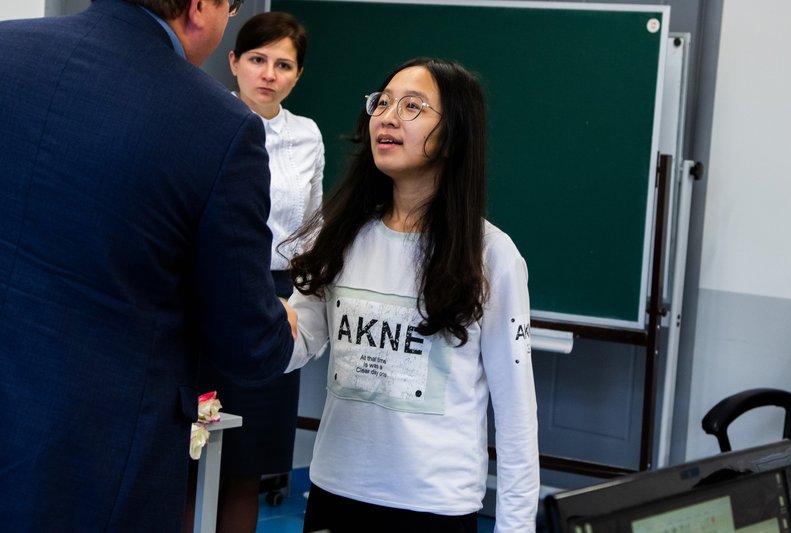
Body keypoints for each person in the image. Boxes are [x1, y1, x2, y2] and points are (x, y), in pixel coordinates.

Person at [0, 0, 296, 531]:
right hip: (96, 464)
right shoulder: (219, 126)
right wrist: (281, 324)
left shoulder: (7, 48)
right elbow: (248, 342)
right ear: (200, 6)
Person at [285, 57, 540, 532]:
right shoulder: (340, 235)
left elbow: (516, 416)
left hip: (434, 506)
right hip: (336, 491)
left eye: (412, 107)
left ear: (453, 135)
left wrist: (516, 527)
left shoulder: (492, 256)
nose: (387, 116)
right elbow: (296, 343)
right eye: (382, 103)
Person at [196, 11, 325, 531]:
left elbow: (313, 227)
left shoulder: (307, 135)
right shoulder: (206, 119)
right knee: (194, 451)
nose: (269, 74)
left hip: (278, 303)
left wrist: (299, 303)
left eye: (283, 64)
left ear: (298, 74)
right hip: (211, 298)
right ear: (234, 62)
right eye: (257, 59)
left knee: (247, 464)